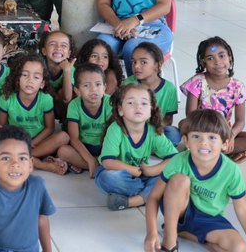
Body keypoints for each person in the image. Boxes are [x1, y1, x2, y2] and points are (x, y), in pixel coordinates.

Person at [144, 109, 246, 252]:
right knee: (179, 180)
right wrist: (151, 233)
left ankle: (190, 234)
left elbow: (243, 209)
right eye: (196, 136)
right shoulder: (179, 161)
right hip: (180, 211)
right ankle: (170, 240)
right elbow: (154, 197)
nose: (203, 143)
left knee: (240, 248)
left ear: (225, 144)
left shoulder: (231, 170)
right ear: (186, 141)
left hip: (210, 219)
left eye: (212, 137)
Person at [96, 83, 177, 211]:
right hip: (119, 173)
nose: (138, 106)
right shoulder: (115, 129)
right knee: (107, 178)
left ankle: (131, 201)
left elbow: (175, 158)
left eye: (144, 103)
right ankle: (149, 195)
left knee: (172, 176)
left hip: (143, 174)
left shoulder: (153, 131)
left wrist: (153, 170)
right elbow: (107, 162)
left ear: (151, 109)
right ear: (120, 110)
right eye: (130, 103)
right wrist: (133, 170)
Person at [180, 36, 246, 163]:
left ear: (230, 57)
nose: (217, 62)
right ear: (202, 62)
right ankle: (223, 154)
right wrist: (204, 132)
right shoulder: (197, 82)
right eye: (210, 58)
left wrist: (231, 135)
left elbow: (240, 121)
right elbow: (190, 115)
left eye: (222, 56)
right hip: (200, 130)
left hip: (223, 132)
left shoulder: (238, 86)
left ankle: (212, 153)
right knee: (183, 124)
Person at [0, 54, 69, 175]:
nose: (30, 80)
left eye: (36, 77)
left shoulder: (46, 99)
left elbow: (50, 128)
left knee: (64, 136)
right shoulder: (6, 99)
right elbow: (2, 127)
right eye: (25, 75)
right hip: (16, 141)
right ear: (17, 80)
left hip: (38, 142)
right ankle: (41, 163)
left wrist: (32, 142)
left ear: (42, 84)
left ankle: (26, 156)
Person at [57, 63, 113, 177]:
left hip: (105, 147)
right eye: (86, 85)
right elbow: (74, 138)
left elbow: (114, 135)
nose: (93, 89)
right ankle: (95, 164)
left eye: (98, 84)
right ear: (77, 91)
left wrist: (106, 154)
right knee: (62, 151)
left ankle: (92, 164)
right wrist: (89, 159)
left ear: (104, 88)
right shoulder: (74, 105)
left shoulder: (110, 103)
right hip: (84, 148)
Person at [121, 42, 181, 146]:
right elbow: (122, 114)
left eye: (143, 62)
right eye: (134, 62)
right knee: (117, 131)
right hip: (132, 128)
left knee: (173, 134)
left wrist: (152, 130)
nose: (136, 66)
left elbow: (168, 119)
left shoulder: (169, 88)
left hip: (156, 129)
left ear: (157, 65)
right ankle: (149, 147)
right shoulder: (127, 84)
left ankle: (144, 146)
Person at [40, 30, 77, 122]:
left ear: (68, 53)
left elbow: (67, 97)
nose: (58, 48)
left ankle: (65, 122)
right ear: (44, 51)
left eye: (63, 45)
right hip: (43, 105)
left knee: (64, 92)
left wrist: (67, 71)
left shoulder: (70, 69)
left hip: (62, 107)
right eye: (52, 44)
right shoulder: (39, 66)